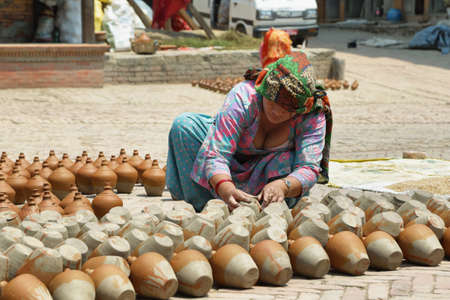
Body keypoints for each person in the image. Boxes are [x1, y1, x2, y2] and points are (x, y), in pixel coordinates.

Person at [166, 36, 332, 213]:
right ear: (264, 92)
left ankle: (269, 209)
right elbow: (217, 154)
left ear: (300, 109)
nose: (278, 112)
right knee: (183, 126)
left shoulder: (311, 115)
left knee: (293, 166)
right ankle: (206, 206)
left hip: (269, 171)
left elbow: (309, 167)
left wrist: (283, 186)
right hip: (230, 162)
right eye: (273, 103)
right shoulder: (244, 97)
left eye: (287, 109)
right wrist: (224, 186)